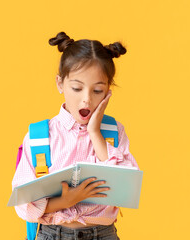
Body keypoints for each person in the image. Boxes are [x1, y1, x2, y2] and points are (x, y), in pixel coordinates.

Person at [12, 31, 139, 240]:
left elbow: (127, 186)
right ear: (60, 84)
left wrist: (95, 132)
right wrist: (65, 201)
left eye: (97, 90)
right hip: (53, 234)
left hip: (103, 234)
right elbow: (23, 203)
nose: (86, 100)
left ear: (108, 90)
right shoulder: (39, 137)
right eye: (77, 88)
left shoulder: (114, 132)